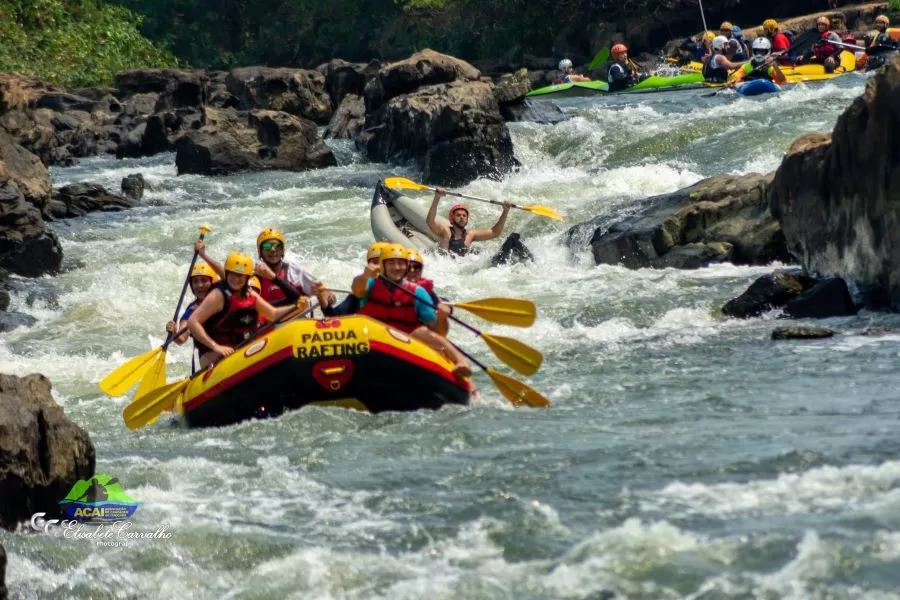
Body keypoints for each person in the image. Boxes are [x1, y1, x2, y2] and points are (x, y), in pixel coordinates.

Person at [351, 244, 470, 379]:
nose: (397, 267)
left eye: (401, 263)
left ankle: (461, 360)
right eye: (391, 263)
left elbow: (438, 332)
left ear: (406, 266)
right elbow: (357, 290)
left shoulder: (418, 292)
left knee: (422, 332)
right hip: (371, 338)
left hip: (404, 341)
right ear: (383, 266)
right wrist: (365, 276)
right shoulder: (370, 284)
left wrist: (442, 318)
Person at [188, 252, 306, 368]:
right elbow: (193, 321)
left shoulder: (251, 295)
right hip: (213, 353)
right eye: (232, 274)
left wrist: (296, 307)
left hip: (240, 349)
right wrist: (216, 347)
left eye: (240, 275)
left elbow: (273, 314)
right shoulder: (218, 295)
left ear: (247, 277)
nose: (236, 279)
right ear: (227, 274)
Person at [164, 263, 219, 371]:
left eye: (204, 280)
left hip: (233, 349)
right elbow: (181, 339)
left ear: (213, 283)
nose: (199, 285)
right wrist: (174, 332)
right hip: (208, 357)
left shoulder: (225, 300)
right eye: (195, 281)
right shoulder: (191, 312)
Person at [426, 189, 512, 257]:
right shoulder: (446, 231)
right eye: (458, 215)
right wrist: (437, 197)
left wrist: (505, 211)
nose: (462, 217)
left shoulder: (470, 235)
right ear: (452, 218)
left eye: (464, 216)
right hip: (442, 266)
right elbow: (430, 221)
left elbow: (495, 232)